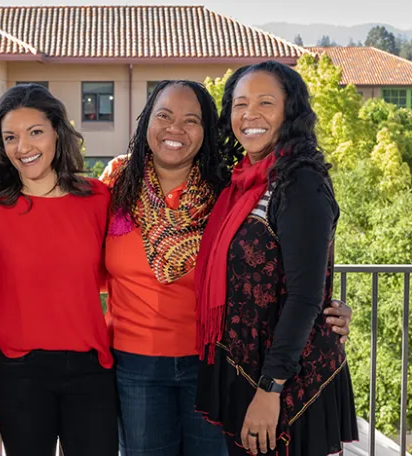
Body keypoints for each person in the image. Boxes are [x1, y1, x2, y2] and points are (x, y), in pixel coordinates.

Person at [101, 80, 355, 456]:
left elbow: (279, 264)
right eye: (164, 116)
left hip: (215, 363)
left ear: (207, 130)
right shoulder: (115, 186)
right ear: (146, 121)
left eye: (191, 120)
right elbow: (80, 266)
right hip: (135, 364)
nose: (175, 129)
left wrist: (324, 308)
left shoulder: (228, 189)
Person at [194, 61, 359, 456]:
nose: (250, 114)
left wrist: (271, 389)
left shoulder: (300, 181)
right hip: (249, 369)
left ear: (290, 112)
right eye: (240, 104)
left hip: (286, 382)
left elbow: (304, 296)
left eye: (265, 103)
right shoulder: (240, 183)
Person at [0, 84, 118, 456]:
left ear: (57, 133)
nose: (23, 147)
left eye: (35, 132)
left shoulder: (97, 198)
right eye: (10, 137)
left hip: (90, 365)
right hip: (19, 368)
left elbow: (109, 276)